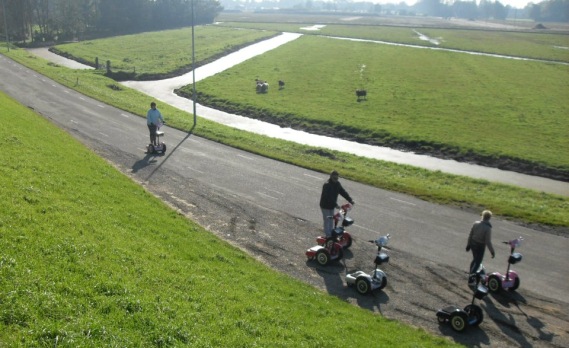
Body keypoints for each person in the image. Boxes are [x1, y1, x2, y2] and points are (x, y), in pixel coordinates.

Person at [319, 170, 355, 238]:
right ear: (331, 177)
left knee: (331, 220)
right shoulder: (327, 185)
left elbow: (342, 192)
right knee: (327, 220)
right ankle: (328, 236)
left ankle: (331, 233)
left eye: (337, 178)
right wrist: (335, 205)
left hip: (331, 206)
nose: (336, 180)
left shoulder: (337, 184)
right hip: (325, 205)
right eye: (334, 178)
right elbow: (328, 197)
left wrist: (350, 200)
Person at [466, 210, 495, 285]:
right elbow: (488, 241)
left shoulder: (476, 223)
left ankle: (473, 274)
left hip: (473, 243)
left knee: (475, 260)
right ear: (489, 218)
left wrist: (468, 244)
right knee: (478, 262)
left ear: (482, 215)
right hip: (480, 246)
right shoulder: (488, 228)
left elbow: (470, 234)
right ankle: (471, 279)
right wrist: (492, 251)